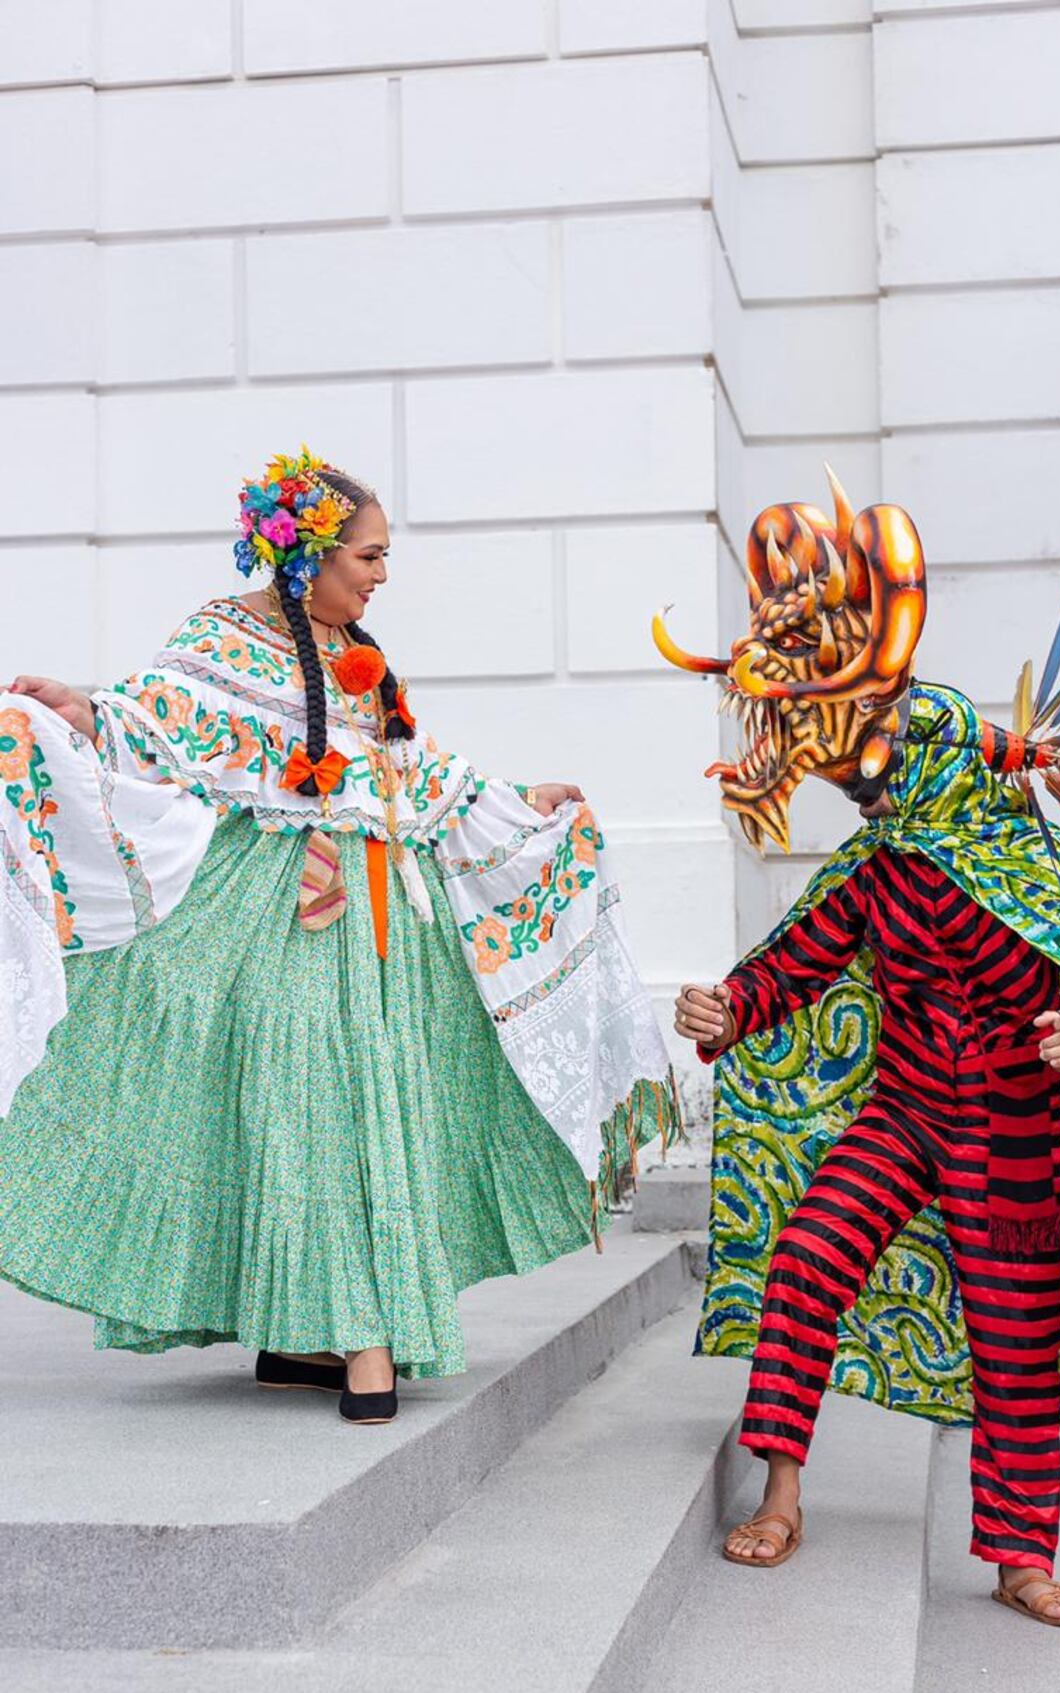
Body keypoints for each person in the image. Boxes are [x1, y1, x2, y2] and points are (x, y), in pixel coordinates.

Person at [0, 448, 677, 1424]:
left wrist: (519, 802)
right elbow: (159, 718)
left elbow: (409, 773)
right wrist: (80, 708)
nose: (381, 574)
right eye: (368, 555)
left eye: (383, 557)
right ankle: (363, 1342)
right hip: (282, 915)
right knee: (321, 1109)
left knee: (354, 1105)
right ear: (308, 554)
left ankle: (308, 1336)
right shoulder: (229, 642)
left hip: (379, 917)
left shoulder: (360, 660)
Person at [659, 471, 1060, 1627]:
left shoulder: (1033, 869)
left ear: (943, 755)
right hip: (902, 1120)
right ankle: (784, 1489)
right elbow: (788, 967)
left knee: (1015, 1346)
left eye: (894, 743)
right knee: (805, 1261)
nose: (869, 765)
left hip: (1012, 1142)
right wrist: (727, 1009)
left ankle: (1019, 1558)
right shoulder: (876, 870)